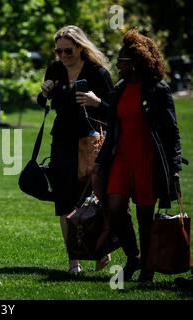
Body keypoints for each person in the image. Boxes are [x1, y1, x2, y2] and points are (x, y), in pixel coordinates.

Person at [93, 29, 183, 282]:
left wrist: (174, 167)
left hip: (148, 160)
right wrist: (100, 164)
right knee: (116, 208)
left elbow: (172, 132)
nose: (117, 66)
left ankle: (148, 266)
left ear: (133, 63)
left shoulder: (158, 90)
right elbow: (113, 130)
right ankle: (134, 257)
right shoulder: (120, 88)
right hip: (122, 158)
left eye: (120, 62)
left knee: (145, 217)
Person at [37, 26, 114, 275]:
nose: (63, 56)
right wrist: (44, 93)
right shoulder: (56, 69)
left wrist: (97, 102)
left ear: (80, 47)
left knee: (92, 199)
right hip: (61, 141)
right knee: (64, 200)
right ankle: (74, 261)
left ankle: (102, 251)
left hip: (90, 141)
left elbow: (114, 110)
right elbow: (44, 103)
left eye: (68, 50)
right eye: (58, 51)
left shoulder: (97, 72)